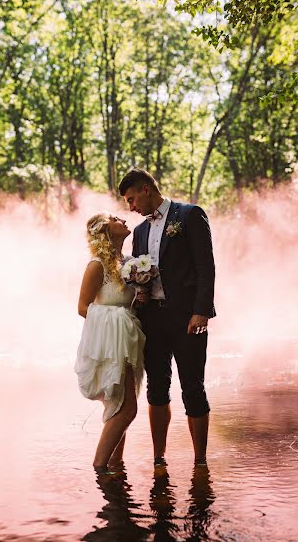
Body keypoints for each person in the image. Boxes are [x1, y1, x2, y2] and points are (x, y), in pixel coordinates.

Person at [118, 168, 216, 467]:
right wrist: (139, 291)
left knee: (193, 387)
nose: (131, 207)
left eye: (132, 199)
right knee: (156, 388)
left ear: (147, 189)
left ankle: (200, 461)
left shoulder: (189, 215)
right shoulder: (140, 231)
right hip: (152, 321)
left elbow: (206, 267)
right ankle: (159, 457)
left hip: (188, 318)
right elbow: (139, 275)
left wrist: (201, 311)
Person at [75, 212, 146, 472]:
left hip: (128, 338)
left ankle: (116, 466)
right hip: (110, 341)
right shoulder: (97, 266)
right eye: (115, 219)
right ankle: (100, 468)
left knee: (119, 406)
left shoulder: (127, 264)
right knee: (127, 409)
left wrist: (137, 302)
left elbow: (124, 298)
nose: (123, 220)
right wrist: (118, 316)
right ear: (105, 230)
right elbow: (83, 307)